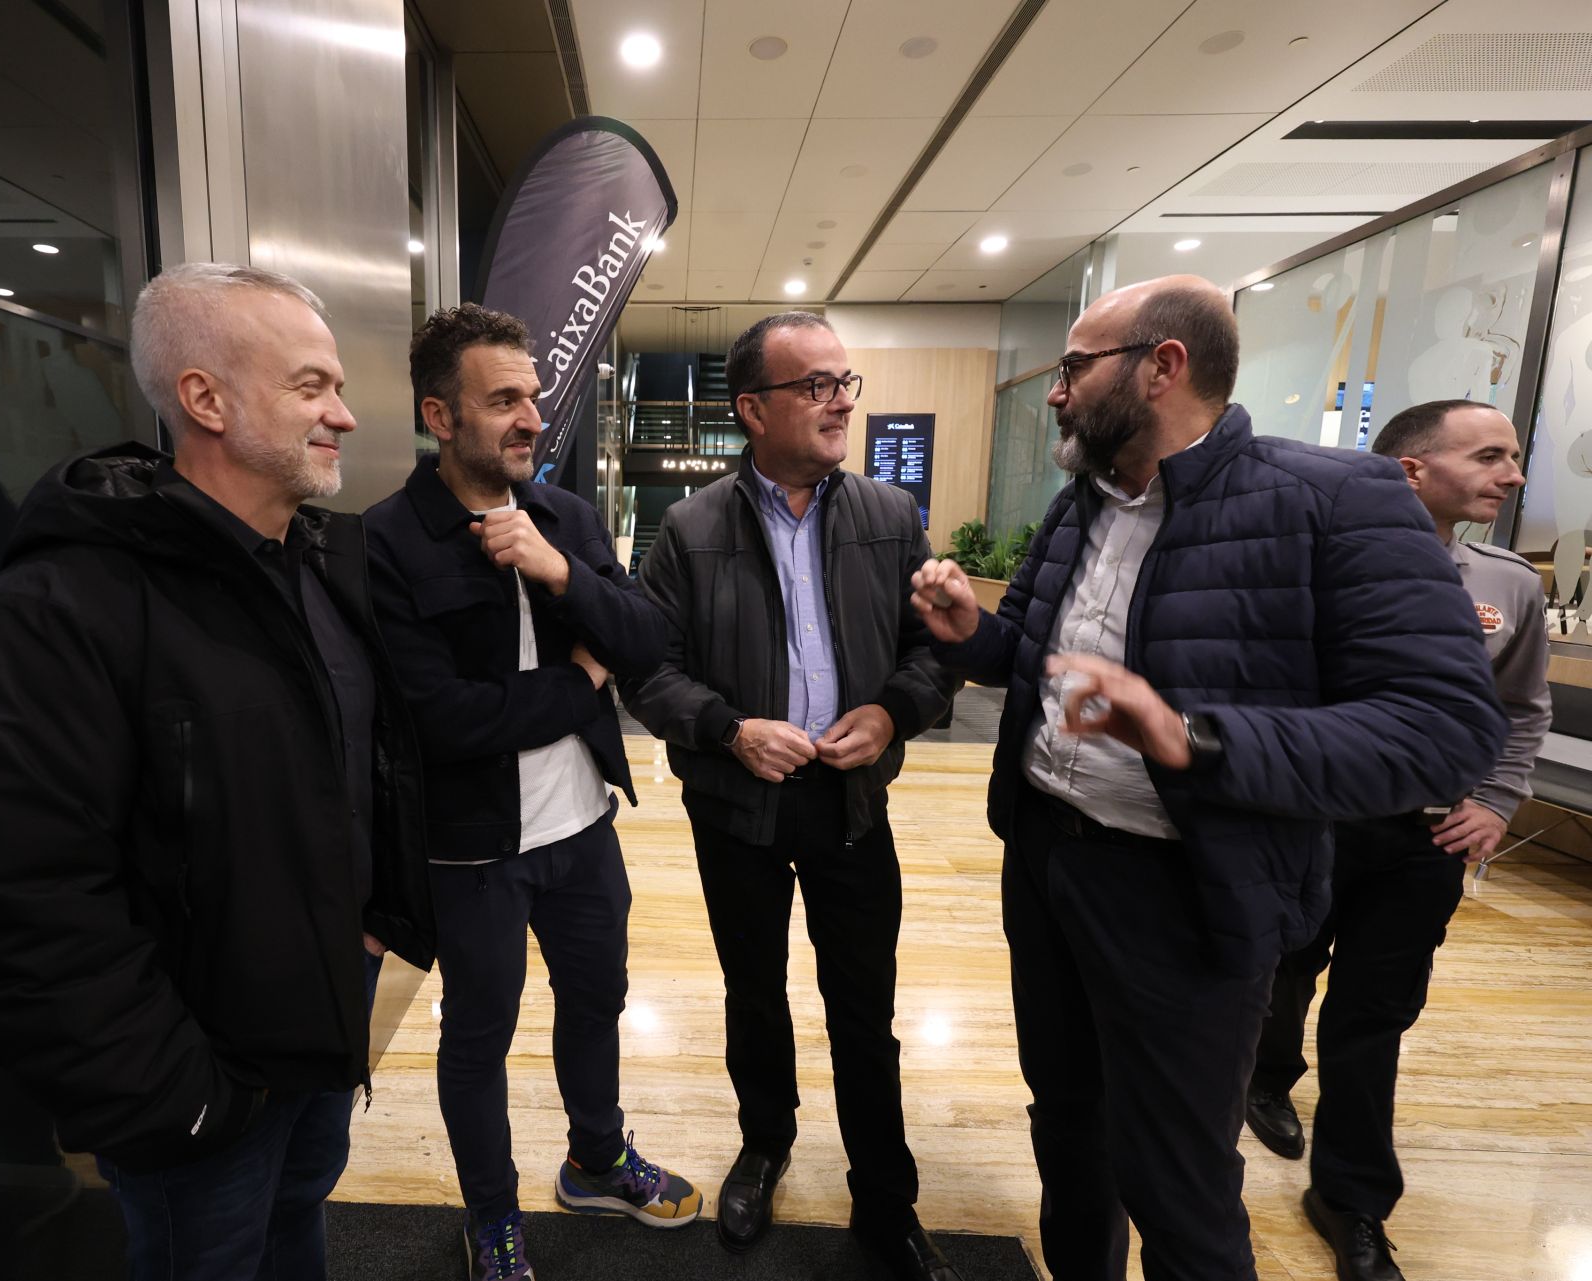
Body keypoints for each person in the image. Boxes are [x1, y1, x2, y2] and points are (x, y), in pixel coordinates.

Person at [908, 276, 1506, 1281]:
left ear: (1162, 366)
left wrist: (1195, 738)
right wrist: (979, 641)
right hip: (1051, 868)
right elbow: (1057, 677)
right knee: (1070, 1132)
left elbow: (1442, 733)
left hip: (1190, 896)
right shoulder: (1080, 505)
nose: (1056, 394)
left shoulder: (1332, 502)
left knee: (1178, 1180)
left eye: (1073, 368)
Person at [0, 262, 433, 1281]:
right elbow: (12, 897)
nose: (346, 417)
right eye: (312, 387)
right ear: (205, 399)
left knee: (297, 1233)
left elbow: (356, 769)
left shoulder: (323, 569)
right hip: (195, 1082)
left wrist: (378, 917)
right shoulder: (56, 611)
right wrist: (174, 1094)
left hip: (319, 1022)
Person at [621, 312, 961, 1281]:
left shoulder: (891, 519)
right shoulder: (687, 531)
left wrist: (895, 712)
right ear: (751, 410)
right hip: (738, 810)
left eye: (843, 381)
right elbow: (646, 670)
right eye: (813, 385)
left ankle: (885, 1200)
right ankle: (764, 1145)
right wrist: (729, 728)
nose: (839, 400)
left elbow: (935, 651)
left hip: (853, 807)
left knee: (865, 1009)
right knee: (753, 993)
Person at [363, 304, 699, 1281]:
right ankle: (493, 1215)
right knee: (479, 1035)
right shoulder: (388, 544)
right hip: (470, 856)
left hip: (583, 829)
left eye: (534, 397)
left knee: (598, 999)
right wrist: (581, 684)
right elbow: (443, 721)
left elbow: (645, 643)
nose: (529, 417)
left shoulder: (567, 520)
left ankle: (595, 1159)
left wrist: (562, 576)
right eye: (503, 399)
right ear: (441, 415)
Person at [1245, 399, 1549, 1280]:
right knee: (1284, 969)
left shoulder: (1507, 585)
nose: (1513, 473)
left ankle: (1352, 1197)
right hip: (1317, 820)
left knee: (1376, 1012)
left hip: (1427, 835)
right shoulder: (1310, 564)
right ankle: (1268, 1075)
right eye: (1491, 455)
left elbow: (1521, 710)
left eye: (1516, 455)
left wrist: (1496, 798)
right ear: (1412, 469)